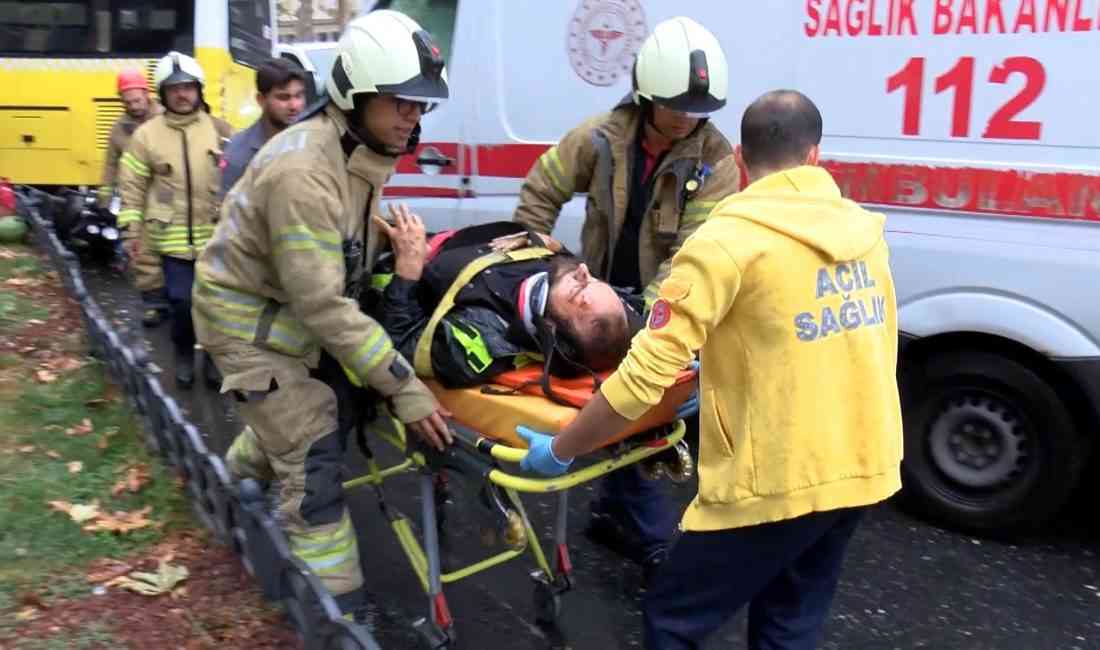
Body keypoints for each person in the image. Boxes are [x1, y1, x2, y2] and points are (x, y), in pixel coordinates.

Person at [518, 90, 904, 650]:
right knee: (788, 623)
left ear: (741, 160)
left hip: (778, 479)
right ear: (816, 156)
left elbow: (642, 376)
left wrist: (562, 449)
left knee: (674, 617)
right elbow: (859, 343)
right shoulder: (864, 234)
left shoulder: (723, 244)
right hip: (865, 462)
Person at [191, 11, 452, 621]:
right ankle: (339, 616)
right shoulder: (304, 171)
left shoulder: (354, 150)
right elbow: (323, 303)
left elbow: (337, 255)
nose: (413, 116)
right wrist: (405, 388)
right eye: (401, 102)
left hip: (284, 310)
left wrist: (398, 256)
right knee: (311, 460)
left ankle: (233, 477)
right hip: (246, 324)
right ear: (356, 95)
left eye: (420, 104)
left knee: (317, 412)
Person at [513, 15, 741, 576]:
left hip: (660, 305)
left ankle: (641, 528)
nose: (687, 117)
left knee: (638, 412)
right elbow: (541, 189)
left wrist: (645, 320)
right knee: (613, 407)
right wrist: (539, 261)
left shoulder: (716, 163)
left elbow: (691, 255)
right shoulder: (600, 138)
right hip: (596, 294)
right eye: (675, 105)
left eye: (697, 108)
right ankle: (618, 516)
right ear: (645, 95)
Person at [371, 211, 643, 390]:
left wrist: (407, 268)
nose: (582, 270)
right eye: (592, 278)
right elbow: (572, 270)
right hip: (426, 240)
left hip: (390, 269)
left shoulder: (486, 337)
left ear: (550, 328)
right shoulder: (570, 291)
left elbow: (397, 348)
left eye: (580, 291)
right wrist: (549, 244)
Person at [116, 52, 233, 389]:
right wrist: (130, 232)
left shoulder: (220, 130)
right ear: (163, 94)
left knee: (216, 305)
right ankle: (183, 353)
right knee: (181, 303)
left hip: (216, 239)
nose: (182, 94)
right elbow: (132, 187)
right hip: (170, 242)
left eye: (188, 87)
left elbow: (244, 180)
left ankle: (213, 359)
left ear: (199, 90)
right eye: (174, 89)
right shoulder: (146, 136)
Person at [98, 69, 167, 328]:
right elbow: (110, 164)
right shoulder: (119, 129)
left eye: (137, 100)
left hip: (167, 195)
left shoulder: (167, 118)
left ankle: (177, 299)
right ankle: (154, 305)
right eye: (127, 102)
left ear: (147, 94)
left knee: (173, 249)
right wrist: (104, 195)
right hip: (136, 198)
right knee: (142, 253)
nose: (134, 106)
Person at [220, 57, 308, 197]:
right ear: (261, 100)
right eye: (283, 97)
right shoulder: (238, 153)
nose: (294, 106)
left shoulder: (314, 138)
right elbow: (228, 206)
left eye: (299, 96)